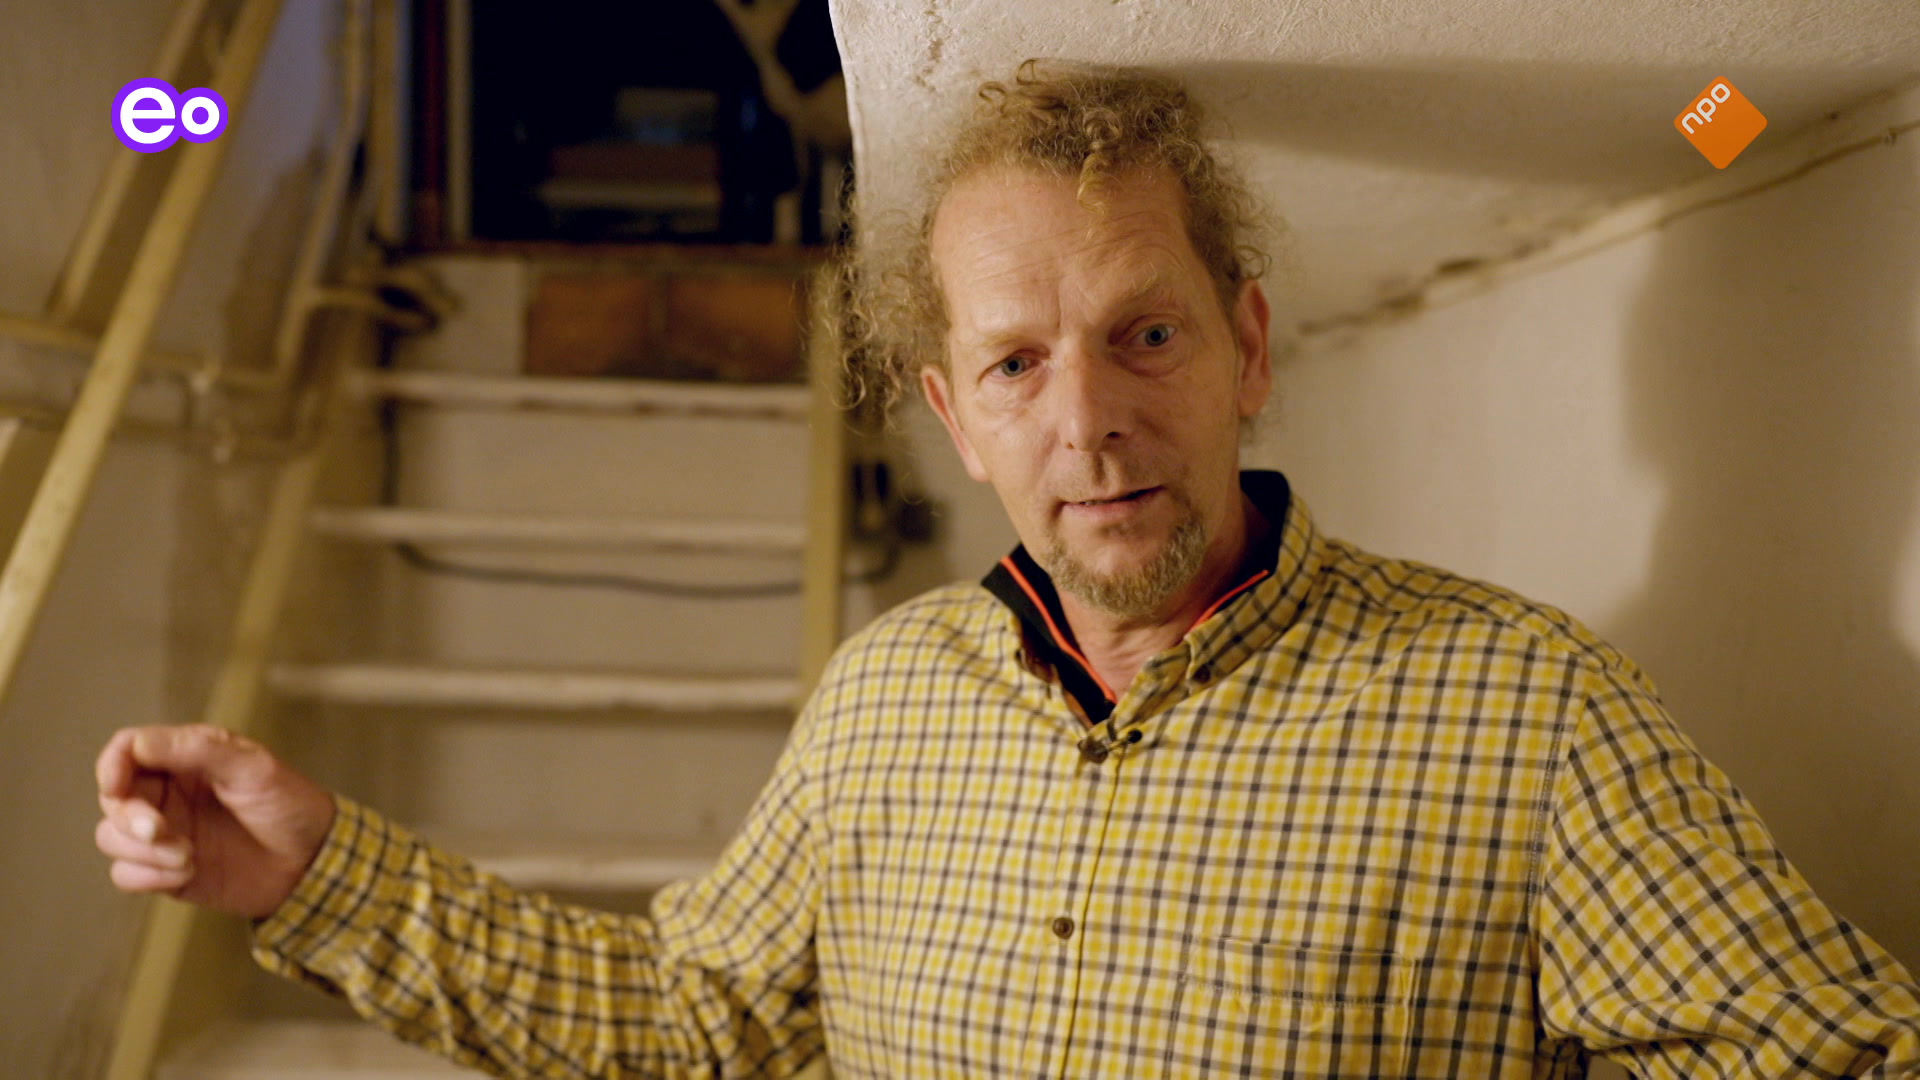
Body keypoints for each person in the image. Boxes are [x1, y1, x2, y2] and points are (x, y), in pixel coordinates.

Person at [95, 60, 1920, 1078]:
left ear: (1248, 347)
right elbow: (691, 1018)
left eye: (1146, 336)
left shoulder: (1530, 709)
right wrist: (317, 871)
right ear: (952, 417)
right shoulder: (884, 700)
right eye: (1018, 365)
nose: (1091, 425)